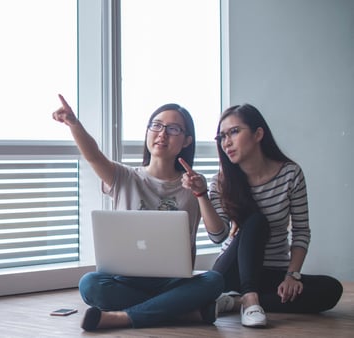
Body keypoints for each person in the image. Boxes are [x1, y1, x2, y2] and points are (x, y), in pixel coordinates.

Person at [52, 94, 224, 331]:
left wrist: (201, 194)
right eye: (156, 125)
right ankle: (182, 312)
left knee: (214, 280)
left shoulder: (193, 184)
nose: (162, 133)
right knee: (90, 284)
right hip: (125, 279)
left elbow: (218, 235)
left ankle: (122, 318)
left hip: (173, 283)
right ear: (147, 132)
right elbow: (93, 155)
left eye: (173, 129)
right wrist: (74, 124)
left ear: (186, 141)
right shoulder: (124, 177)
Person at [181, 103, 343, 328]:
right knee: (256, 221)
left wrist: (292, 275)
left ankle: (234, 303)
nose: (226, 142)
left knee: (331, 290)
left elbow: (301, 231)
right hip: (232, 270)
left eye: (234, 132)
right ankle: (249, 298)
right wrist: (201, 194)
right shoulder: (221, 181)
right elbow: (218, 237)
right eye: (222, 136)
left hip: (272, 272)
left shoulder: (290, 174)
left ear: (258, 134)